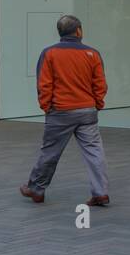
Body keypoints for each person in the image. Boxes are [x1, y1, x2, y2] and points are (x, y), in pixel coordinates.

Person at [20, 14, 109, 206]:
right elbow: (100, 84)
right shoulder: (92, 53)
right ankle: (100, 192)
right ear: (79, 31)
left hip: (60, 111)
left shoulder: (49, 53)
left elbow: (44, 84)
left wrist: (47, 107)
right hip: (87, 111)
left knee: (50, 152)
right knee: (95, 152)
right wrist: (97, 104)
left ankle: (36, 188)